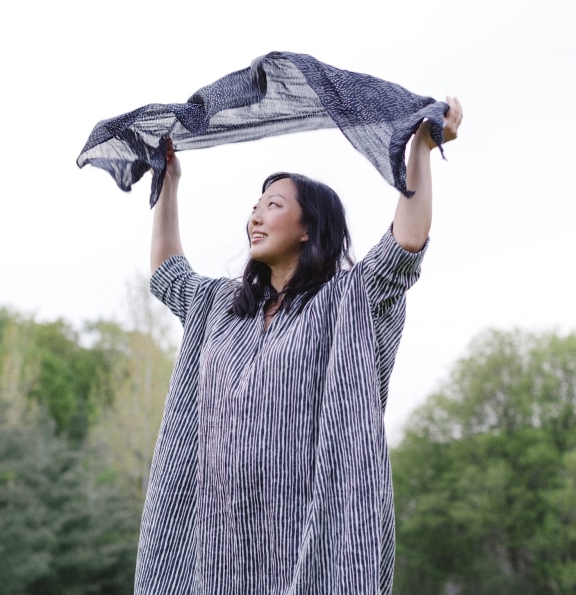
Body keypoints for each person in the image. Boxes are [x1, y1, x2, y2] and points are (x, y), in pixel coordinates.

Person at [136, 99, 463, 595]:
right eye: (254, 207)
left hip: (304, 545)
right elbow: (167, 272)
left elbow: (406, 244)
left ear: (308, 227)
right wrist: (169, 182)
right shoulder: (221, 306)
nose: (256, 216)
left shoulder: (345, 300)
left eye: (273, 205)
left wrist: (419, 147)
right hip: (219, 551)